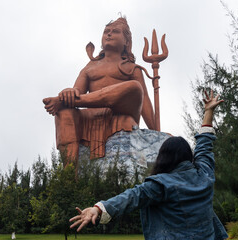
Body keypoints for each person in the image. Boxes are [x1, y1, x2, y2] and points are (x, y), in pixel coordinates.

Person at [69, 90, 228, 240]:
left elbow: (131, 197)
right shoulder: (204, 174)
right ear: (188, 155)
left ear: (164, 157)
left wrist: (98, 208)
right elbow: (204, 145)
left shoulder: (162, 184)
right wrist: (209, 112)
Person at [43, 17, 156, 164]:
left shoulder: (132, 68)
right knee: (64, 112)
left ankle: (62, 101)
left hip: (121, 111)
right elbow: (77, 91)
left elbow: (144, 99)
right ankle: (70, 177)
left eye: (115, 32)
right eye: (106, 32)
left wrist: (155, 130)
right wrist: (68, 93)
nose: (109, 34)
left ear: (126, 42)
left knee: (135, 87)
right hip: (92, 114)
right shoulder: (90, 67)